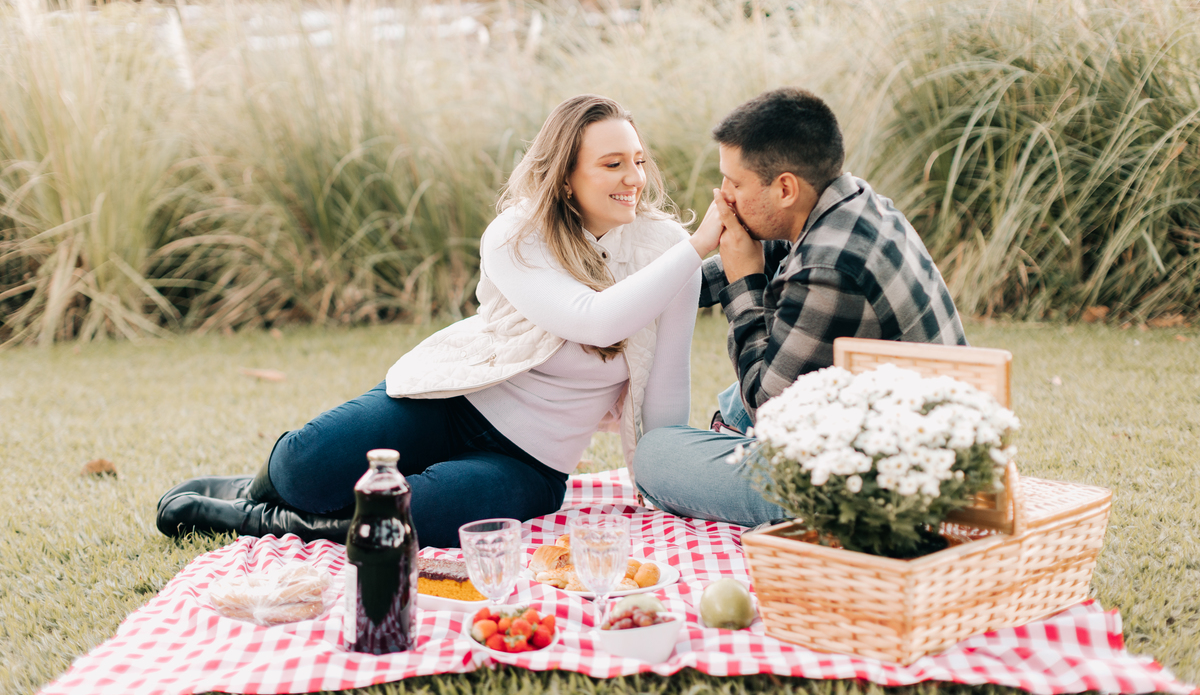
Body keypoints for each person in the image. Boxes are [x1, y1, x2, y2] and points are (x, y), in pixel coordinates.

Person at [157, 94, 722, 548]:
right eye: (613, 164)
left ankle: (264, 522)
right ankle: (258, 490)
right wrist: (698, 247)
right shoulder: (518, 234)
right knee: (306, 465)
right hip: (452, 403)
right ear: (566, 175)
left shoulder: (667, 252)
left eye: (639, 161)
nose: (634, 178)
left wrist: (665, 479)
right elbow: (593, 321)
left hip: (528, 462)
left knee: (419, 514)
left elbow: (667, 385)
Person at [632, 87, 968, 527]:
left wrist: (743, 281)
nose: (724, 197)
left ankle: (741, 461)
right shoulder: (849, 204)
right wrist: (638, 288)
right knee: (735, 400)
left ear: (785, 188)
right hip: (878, 424)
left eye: (735, 183)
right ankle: (731, 448)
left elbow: (770, 412)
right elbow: (766, 257)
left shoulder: (830, 267)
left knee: (655, 454)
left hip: (877, 484)